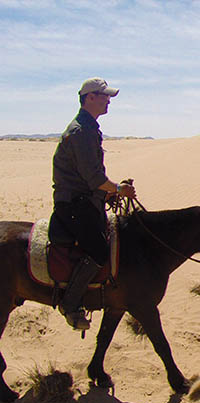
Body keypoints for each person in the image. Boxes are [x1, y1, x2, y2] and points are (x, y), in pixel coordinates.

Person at [48, 77, 137, 330]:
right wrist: (118, 189)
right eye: (104, 96)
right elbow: (94, 177)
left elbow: (90, 178)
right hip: (74, 206)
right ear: (90, 98)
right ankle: (71, 302)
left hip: (86, 200)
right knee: (99, 251)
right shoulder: (81, 132)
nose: (108, 100)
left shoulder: (89, 128)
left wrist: (108, 193)